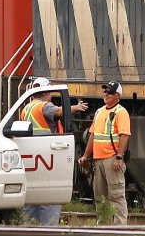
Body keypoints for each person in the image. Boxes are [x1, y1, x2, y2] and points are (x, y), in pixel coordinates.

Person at [20, 77, 88, 226]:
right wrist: (75, 108)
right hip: (47, 155)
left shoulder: (27, 108)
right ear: (46, 92)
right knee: (50, 196)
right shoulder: (43, 106)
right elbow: (58, 111)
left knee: (31, 199)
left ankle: (28, 232)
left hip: (32, 155)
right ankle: (48, 231)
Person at [80, 81, 130, 225]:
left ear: (117, 96)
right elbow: (92, 135)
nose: (106, 94)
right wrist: (85, 156)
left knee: (116, 196)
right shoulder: (99, 112)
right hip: (99, 160)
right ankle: (103, 228)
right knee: (101, 198)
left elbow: (124, 135)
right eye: (105, 91)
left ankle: (120, 230)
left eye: (109, 92)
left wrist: (119, 157)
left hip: (112, 159)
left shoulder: (121, 112)